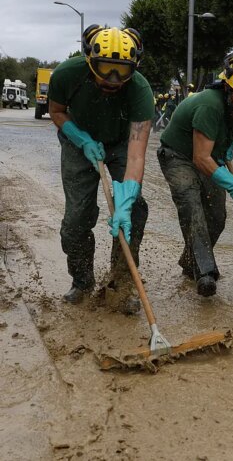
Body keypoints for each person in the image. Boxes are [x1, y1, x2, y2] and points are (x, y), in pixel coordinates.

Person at [48, 25, 155, 313]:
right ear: (89, 61)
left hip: (121, 143)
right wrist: (81, 139)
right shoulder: (66, 74)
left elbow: (135, 156)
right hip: (78, 138)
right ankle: (82, 281)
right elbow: (56, 111)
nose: (113, 79)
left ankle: (120, 285)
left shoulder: (141, 91)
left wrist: (126, 199)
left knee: (134, 210)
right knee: (76, 219)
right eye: (105, 69)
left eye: (122, 71)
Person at [158, 53, 233, 296]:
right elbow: (200, 158)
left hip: (209, 157)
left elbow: (220, 144)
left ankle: (190, 264)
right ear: (228, 88)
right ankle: (205, 273)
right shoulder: (210, 104)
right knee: (192, 205)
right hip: (178, 156)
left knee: (217, 215)